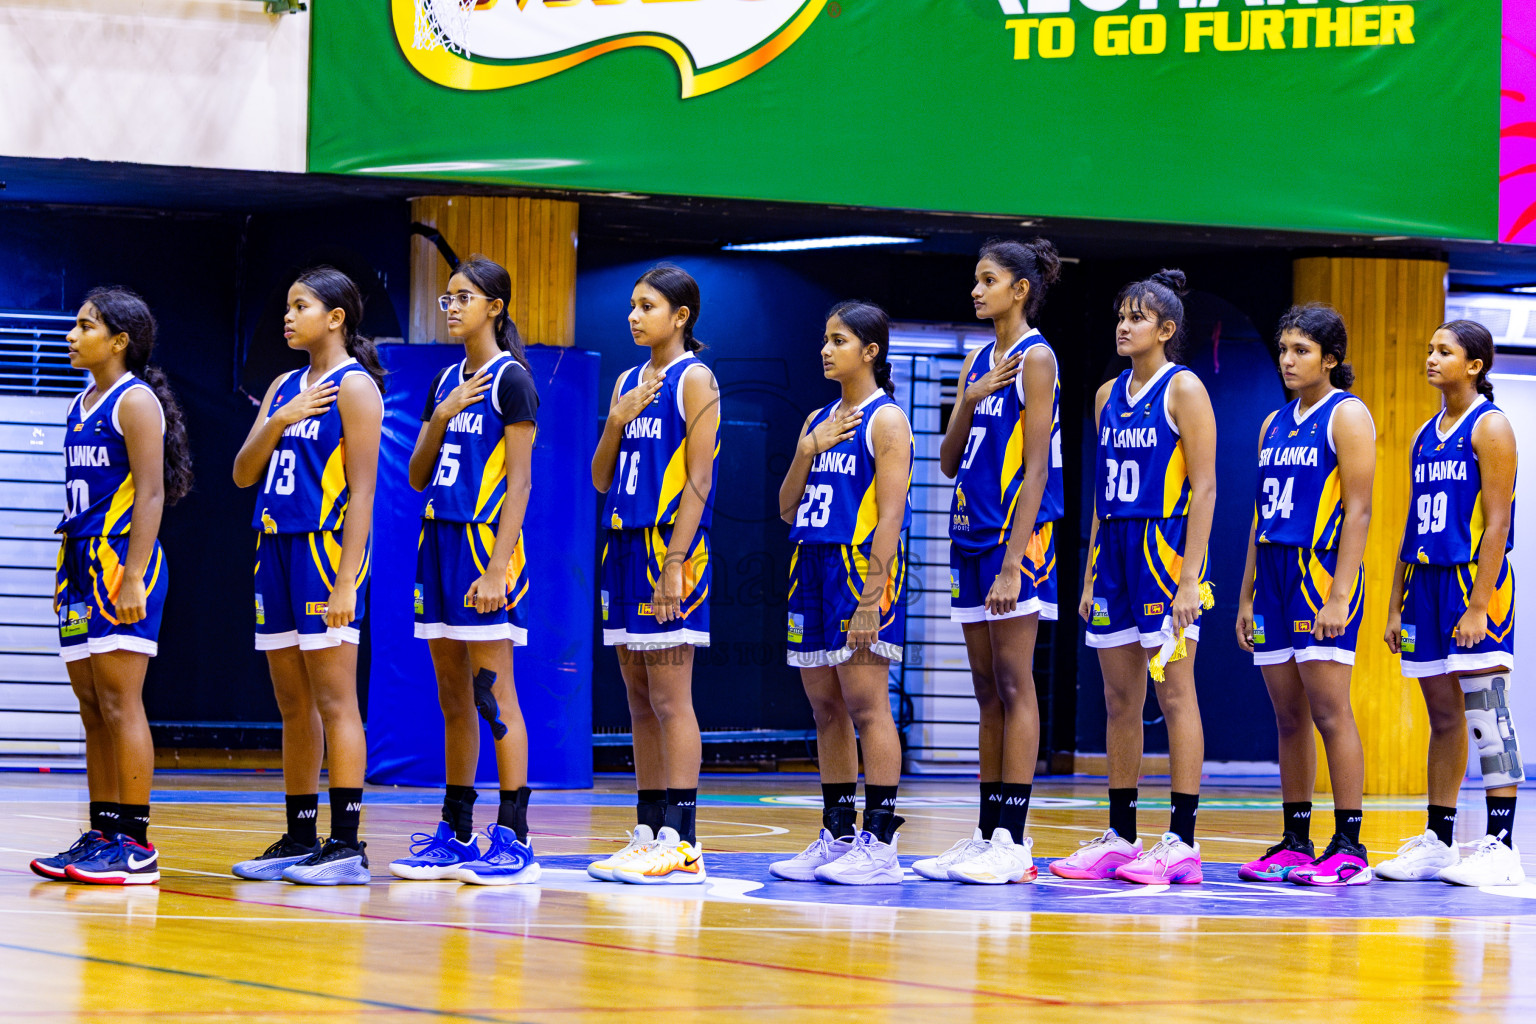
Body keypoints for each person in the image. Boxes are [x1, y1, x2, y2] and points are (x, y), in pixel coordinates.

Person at [1054, 270, 1215, 885]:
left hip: (1165, 551)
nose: (1124, 326)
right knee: (1119, 700)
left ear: (1166, 329)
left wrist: (1188, 580)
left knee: (1175, 695)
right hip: (1116, 554)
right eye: (1120, 316)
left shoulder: (1184, 389)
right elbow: (1099, 494)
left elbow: (1206, 489)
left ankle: (1182, 840)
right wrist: (1093, 570)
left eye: (1137, 317)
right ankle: (1121, 833)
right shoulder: (1103, 396)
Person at [29, 288, 192, 886]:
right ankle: (102, 832)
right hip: (78, 563)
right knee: (93, 708)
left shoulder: (135, 400)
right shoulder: (82, 400)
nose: (73, 335)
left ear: (119, 341)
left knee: (123, 703)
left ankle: (136, 841)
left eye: (85, 325)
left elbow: (151, 494)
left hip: (123, 563)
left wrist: (132, 575)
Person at [388, 256, 541, 886]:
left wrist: (499, 565)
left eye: (463, 297)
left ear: (495, 307)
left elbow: (522, 482)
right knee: (453, 697)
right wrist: (442, 413)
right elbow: (417, 473)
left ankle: (515, 836)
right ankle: (454, 832)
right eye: (447, 298)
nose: (451, 307)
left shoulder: (513, 381)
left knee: (491, 694)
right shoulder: (446, 381)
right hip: (438, 548)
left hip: (485, 550)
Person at [914, 238, 1062, 886]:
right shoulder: (981, 360)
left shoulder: (1038, 358)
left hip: (1016, 542)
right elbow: (948, 461)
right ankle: (985, 831)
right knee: (984, 691)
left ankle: (1015, 838)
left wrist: (1011, 563)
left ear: (1020, 289)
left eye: (988, 279)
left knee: (1013, 680)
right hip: (966, 534)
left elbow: (1034, 469)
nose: (976, 290)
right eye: (975, 279)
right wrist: (969, 398)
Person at [229, 267, 384, 886]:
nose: (288, 317)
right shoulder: (283, 387)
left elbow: (366, 494)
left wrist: (347, 582)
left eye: (301, 306)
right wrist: (277, 417)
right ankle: (300, 835)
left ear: (336, 317)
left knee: (334, 700)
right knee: (292, 704)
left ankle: (346, 845)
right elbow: (243, 473)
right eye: (288, 306)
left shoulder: (356, 388)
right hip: (274, 549)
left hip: (325, 553)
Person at [768, 302, 913, 886]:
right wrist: (806, 449)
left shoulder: (887, 421)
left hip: (857, 570)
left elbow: (892, 515)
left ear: (870, 351)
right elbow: (784, 508)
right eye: (825, 340)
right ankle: (837, 833)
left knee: (866, 704)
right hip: (809, 565)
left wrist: (872, 596)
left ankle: (879, 844)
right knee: (824, 706)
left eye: (839, 340)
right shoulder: (818, 420)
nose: (826, 350)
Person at [1377, 320, 1523, 886]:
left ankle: (1502, 845)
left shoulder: (1491, 427)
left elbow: (1498, 522)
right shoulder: (1423, 434)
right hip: (1425, 585)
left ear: (1475, 366)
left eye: (1445, 351)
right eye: (1429, 348)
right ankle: (1439, 841)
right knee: (1442, 716)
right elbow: (1412, 522)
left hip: (1471, 583)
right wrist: (1394, 605)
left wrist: (1481, 603)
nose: (1432, 358)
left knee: (1486, 708)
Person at [587, 264, 718, 884]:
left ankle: (684, 836)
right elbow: (599, 478)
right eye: (631, 305)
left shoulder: (697, 378)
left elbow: (699, 480)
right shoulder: (626, 380)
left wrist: (674, 565)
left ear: (681, 316)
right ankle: (648, 826)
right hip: (622, 545)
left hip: (672, 549)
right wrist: (615, 421)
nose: (634, 316)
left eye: (646, 306)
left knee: (670, 698)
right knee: (637, 697)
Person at [1236, 304, 1375, 887]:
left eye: (1301, 351)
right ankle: (1296, 838)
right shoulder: (1274, 423)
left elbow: (1360, 510)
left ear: (1331, 359)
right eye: (1284, 350)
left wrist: (1341, 593)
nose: (1288, 360)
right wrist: (1244, 595)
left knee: (1329, 711)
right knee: (1287, 716)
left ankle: (1350, 844)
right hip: (1271, 576)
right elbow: (1260, 513)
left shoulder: (1347, 415)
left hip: (1320, 576)